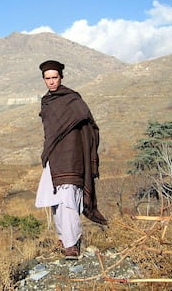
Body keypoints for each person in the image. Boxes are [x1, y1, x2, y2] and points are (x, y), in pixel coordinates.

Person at [35, 60, 107, 260]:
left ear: (61, 77)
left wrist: (86, 152)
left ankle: (72, 245)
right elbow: (50, 132)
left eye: (54, 77)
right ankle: (63, 238)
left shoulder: (73, 99)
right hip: (54, 156)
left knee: (68, 198)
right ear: (43, 80)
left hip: (73, 155)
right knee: (55, 200)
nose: (51, 82)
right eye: (47, 78)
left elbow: (91, 127)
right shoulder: (46, 102)